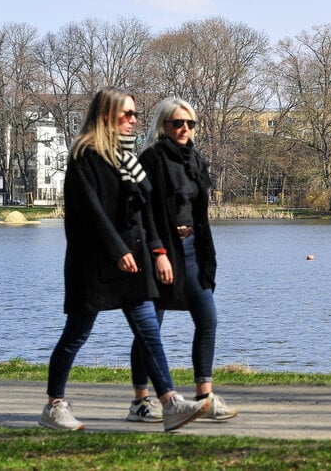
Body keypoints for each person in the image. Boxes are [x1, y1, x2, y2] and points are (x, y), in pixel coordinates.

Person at [40, 87, 211, 431]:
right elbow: (91, 213)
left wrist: (154, 249)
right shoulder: (84, 157)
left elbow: (143, 212)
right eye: (126, 114)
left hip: (134, 260)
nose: (134, 120)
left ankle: (169, 402)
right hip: (95, 263)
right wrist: (118, 251)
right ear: (106, 116)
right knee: (76, 333)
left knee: (149, 330)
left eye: (135, 114)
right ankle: (54, 405)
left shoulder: (127, 158)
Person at [126, 96, 237, 423]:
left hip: (192, 250)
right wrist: (158, 253)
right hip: (160, 251)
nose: (185, 128)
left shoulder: (195, 160)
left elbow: (199, 211)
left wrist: (206, 254)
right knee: (151, 328)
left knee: (207, 319)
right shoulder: (152, 159)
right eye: (178, 123)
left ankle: (204, 396)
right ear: (164, 125)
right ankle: (141, 401)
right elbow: (146, 214)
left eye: (190, 123)